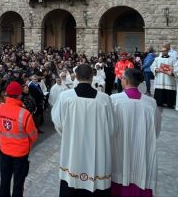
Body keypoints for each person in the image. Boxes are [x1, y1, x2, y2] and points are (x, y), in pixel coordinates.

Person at [51, 64, 113, 196]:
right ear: (92, 77)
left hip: (73, 149)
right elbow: (111, 127)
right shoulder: (104, 99)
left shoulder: (65, 97)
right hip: (97, 151)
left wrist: (69, 133)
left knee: (71, 179)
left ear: (76, 77)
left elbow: (57, 122)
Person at [110, 68, 160, 196]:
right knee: (140, 171)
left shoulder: (114, 100)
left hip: (119, 148)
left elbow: (108, 127)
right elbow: (156, 129)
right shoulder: (151, 103)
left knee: (119, 172)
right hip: (141, 150)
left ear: (125, 80)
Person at [0, 81, 38, 197]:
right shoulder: (25, 114)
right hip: (20, 154)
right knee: (18, 183)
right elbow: (33, 135)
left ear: (6, 94)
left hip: (5, 152)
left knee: (4, 181)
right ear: (19, 95)